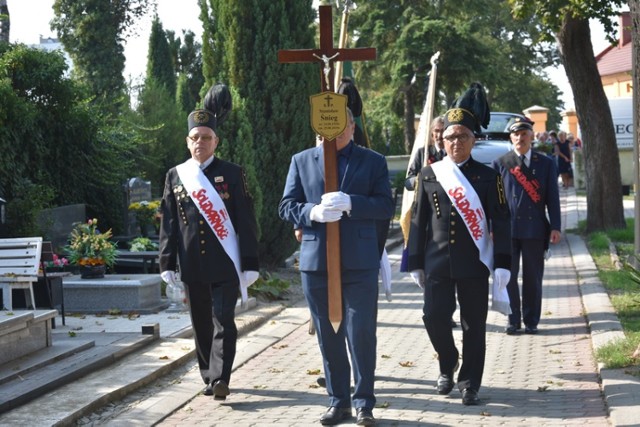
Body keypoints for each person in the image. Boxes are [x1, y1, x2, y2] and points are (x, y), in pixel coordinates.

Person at [279, 108, 394, 426]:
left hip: (359, 262)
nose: (331, 134)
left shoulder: (373, 161)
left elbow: (386, 204)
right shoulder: (301, 160)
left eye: (339, 127)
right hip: (317, 263)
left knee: (361, 333)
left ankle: (364, 403)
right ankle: (338, 401)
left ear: (352, 128)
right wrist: (312, 212)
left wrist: (353, 203)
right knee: (328, 335)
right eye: (323, 128)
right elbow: (286, 205)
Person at [406, 82, 512, 406]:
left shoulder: (488, 175)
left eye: (462, 136)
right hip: (436, 260)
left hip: (474, 262)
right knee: (434, 317)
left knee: (473, 325)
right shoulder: (429, 174)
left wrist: (504, 263)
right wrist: (413, 261)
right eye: (449, 137)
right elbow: (418, 221)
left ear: (473, 140)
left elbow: (502, 221)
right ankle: (448, 361)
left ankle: (470, 383)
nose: (455, 142)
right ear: (443, 140)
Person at [158, 84, 260, 401]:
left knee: (223, 320)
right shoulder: (176, 175)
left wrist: (251, 263)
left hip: (225, 263)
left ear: (216, 141)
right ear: (187, 142)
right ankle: (208, 375)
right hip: (192, 264)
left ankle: (221, 378)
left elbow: (245, 220)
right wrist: (166, 263)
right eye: (194, 138)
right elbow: (169, 221)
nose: (199, 142)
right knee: (201, 324)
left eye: (206, 137)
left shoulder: (232, 172)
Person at [492, 118, 562, 335]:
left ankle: (531, 320)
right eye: (516, 134)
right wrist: (493, 227)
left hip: (535, 230)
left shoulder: (546, 163)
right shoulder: (501, 163)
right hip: (508, 230)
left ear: (532, 137)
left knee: (533, 277)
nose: (520, 138)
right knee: (508, 277)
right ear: (511, 138)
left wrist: (556, 226)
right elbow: (495, 200)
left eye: (524, 134)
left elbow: (553, 197)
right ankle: (513, 319)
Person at [404, 116, 446, 191]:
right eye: (436, 131)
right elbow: (408, 182)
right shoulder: (422, 153)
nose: (439, 135)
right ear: (432, 134)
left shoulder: (453, 154)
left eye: (442, 131)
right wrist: (420, 179)